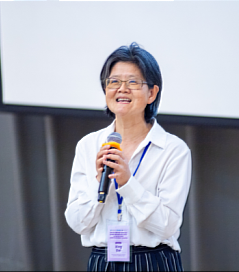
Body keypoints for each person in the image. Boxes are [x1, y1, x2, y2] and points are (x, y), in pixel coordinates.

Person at [65, 43, 191, 271]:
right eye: (114, 82)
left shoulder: (173, 149)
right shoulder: (88, 145)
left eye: (132, 82)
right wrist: (98, 183)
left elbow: (168, 226)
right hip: (103, 261)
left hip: (154, 261)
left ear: (152, 93)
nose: (121, 89)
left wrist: (127, 183)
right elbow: (77, 222)